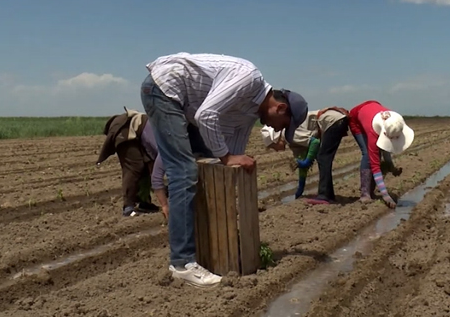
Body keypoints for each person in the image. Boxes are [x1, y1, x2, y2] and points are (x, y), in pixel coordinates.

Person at [141, 52, 308, 288]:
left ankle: (203, 251)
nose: (276, 130)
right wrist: (227, 157)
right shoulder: (249, 79)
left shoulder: (249, 114)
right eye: (283, 126)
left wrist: (233, 170)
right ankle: (182, 264)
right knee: (184, 172)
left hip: (186, 105)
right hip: (165, 88)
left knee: (205, 165)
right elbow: (206, 116)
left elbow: (232, 151)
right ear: (280, 108)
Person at [96, 108, 165, 218]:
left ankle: (144, 202)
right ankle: (128, 206)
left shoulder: (163, 138)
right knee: (134, 167)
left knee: (146, 168)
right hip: (126, 130)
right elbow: (157, 169)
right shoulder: (160, 143)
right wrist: (164, 191)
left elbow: (152, 167)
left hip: (138, 134)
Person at [348, 101, 414, 209]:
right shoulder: (373, 132)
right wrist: (385, 195)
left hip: (371, 108)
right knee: (368, 155)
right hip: (356, 119)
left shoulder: (395, 122)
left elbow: (386, 148)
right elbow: (375, 166)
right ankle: (365, 193)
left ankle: (371, 191)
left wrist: (391, 167)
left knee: (376, 155)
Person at [260, 111, 321, 199]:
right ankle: (324, 193)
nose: (276, 150)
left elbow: (315, 142)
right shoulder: (292, 142)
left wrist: (307, 162)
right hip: (324, 126)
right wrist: (301, 187)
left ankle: (325, 194)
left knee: (324, 159)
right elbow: (302, 160)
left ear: (276, 139)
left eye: (274, 146)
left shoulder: (289, 135)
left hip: (328, 121)